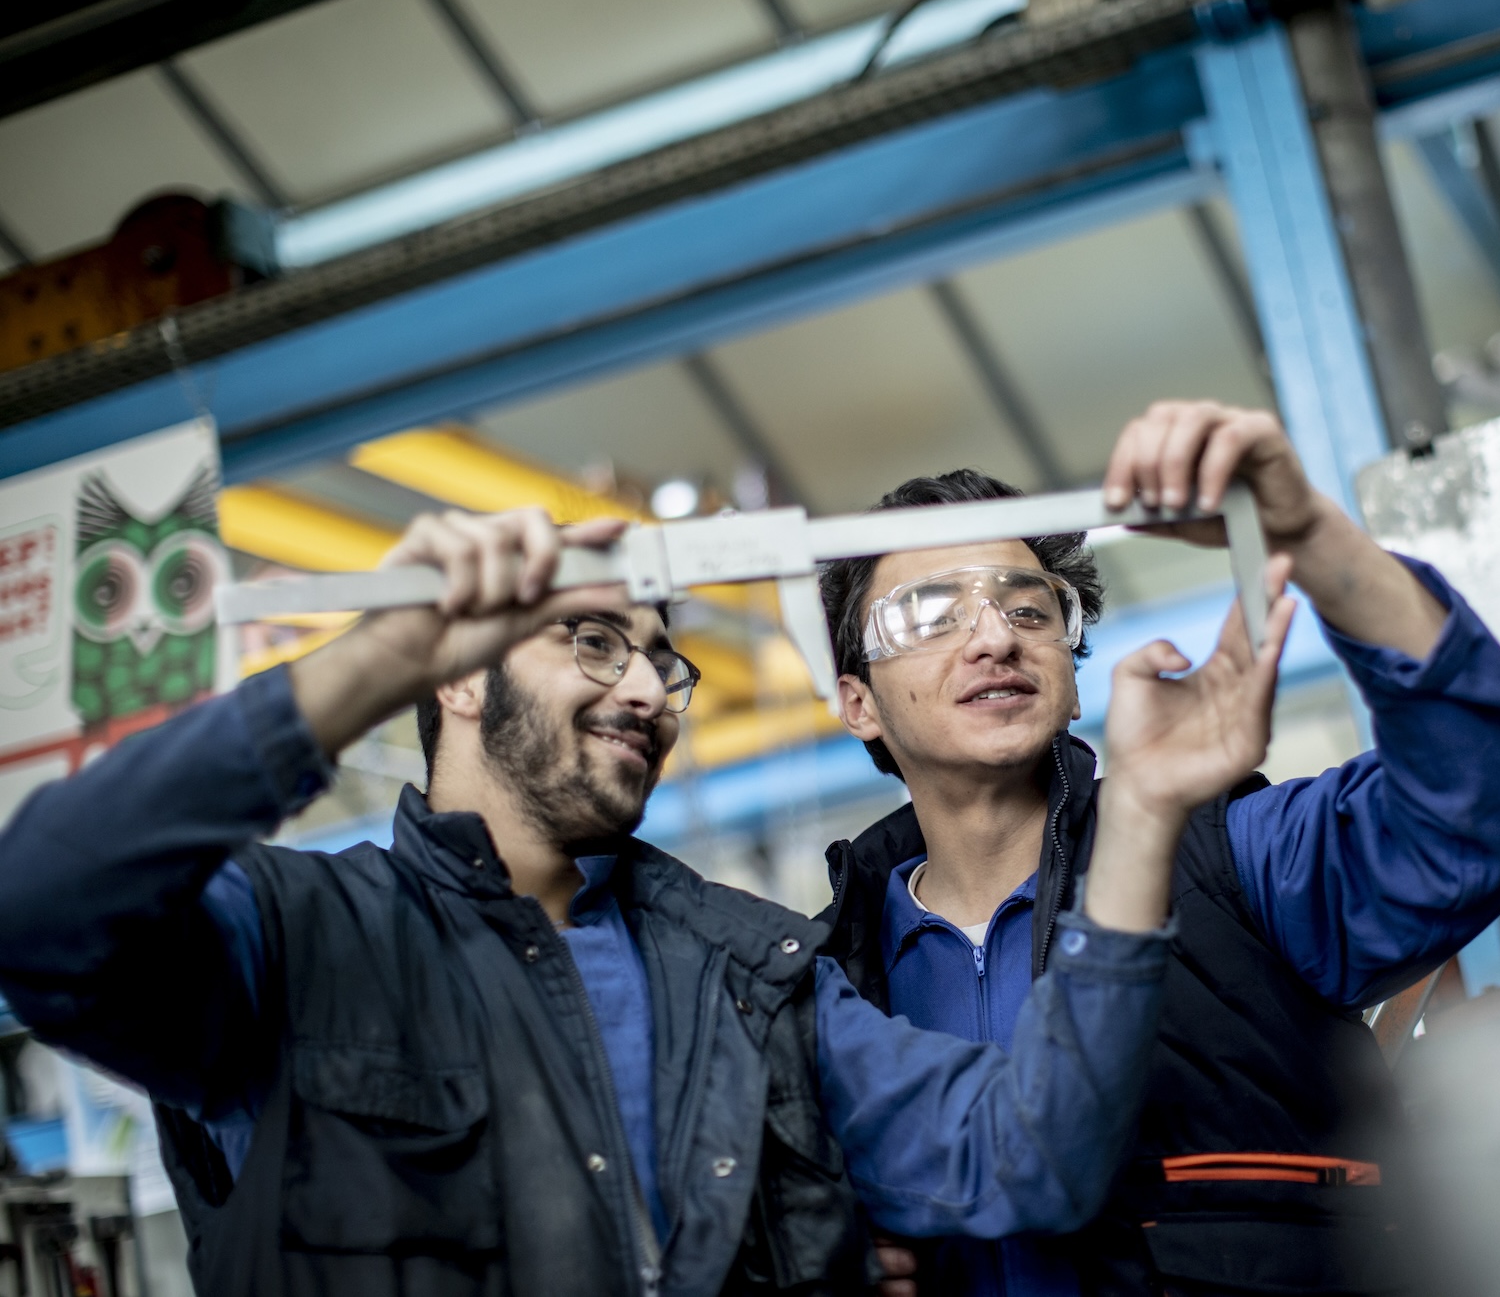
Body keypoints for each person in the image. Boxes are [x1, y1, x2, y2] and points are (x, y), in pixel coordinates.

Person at [0, 504, 1300, 1297]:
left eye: (662, 658)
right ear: (455, 678)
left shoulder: (752, 976)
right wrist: (367, 657)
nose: (647, 686)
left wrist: (1136, 815)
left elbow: (1035, 1152)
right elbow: (41, 909)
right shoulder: (289, 942)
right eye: (594, 640)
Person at [816, 401, 1500, 1296]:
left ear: (1069, 667)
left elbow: (1495, 802)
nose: (994, 637)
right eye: (929, 615)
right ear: (858, 701)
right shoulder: (824, 975)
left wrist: (1313, 536)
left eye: (1029, 608)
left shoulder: (1232, 864)